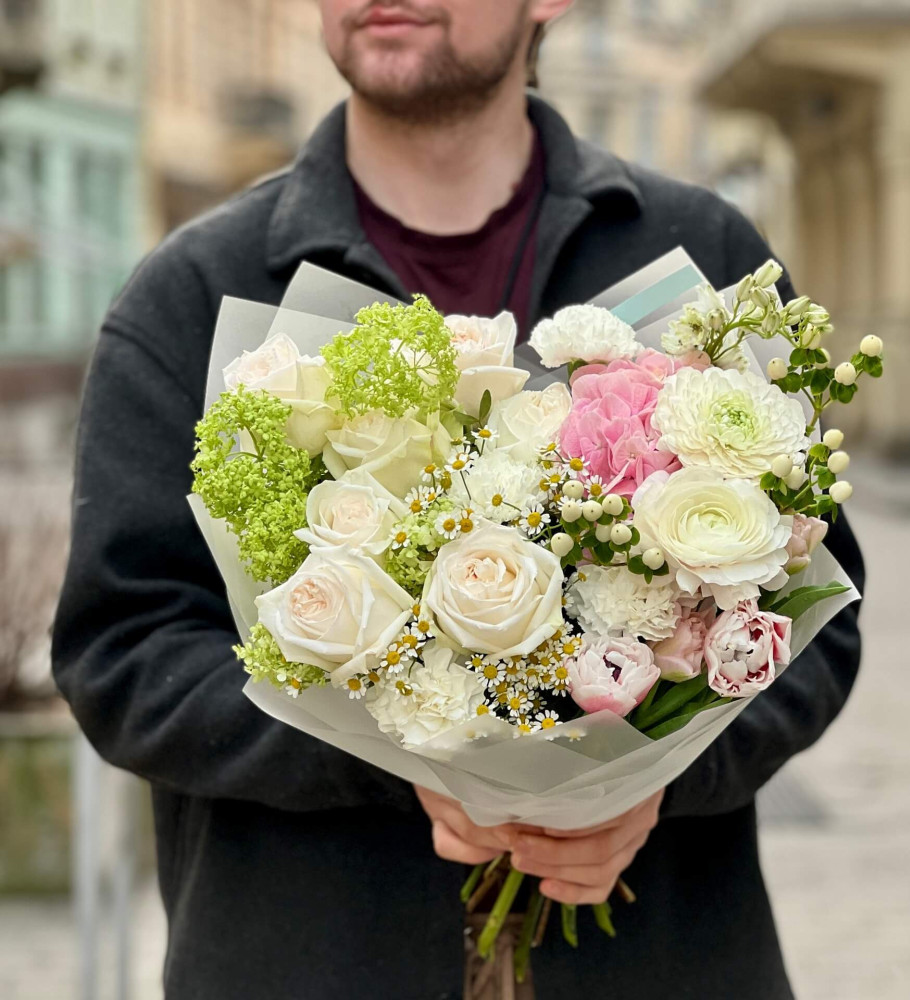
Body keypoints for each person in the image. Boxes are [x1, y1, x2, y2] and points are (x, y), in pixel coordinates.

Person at [51, 2, 865, 998]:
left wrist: (651, 781)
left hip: (658, 961)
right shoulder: (194, 292)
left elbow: (817, 619)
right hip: (314, 962)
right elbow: (121, 653)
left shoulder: (698, 253)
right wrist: (407, 752)